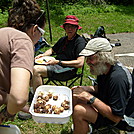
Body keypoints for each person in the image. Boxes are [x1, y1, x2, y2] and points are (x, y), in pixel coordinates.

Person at [72, 38, 134, 134]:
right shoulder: (103, 68)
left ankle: (85, 124)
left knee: (79, 110)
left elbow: (116, 117)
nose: (87, 62)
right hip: (108, 104)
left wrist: (90, 98)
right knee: (75, 95)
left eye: (91, 58)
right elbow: (103, 88)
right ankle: (83, 127)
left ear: (103, 57)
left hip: (123, 119)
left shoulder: (117, 78)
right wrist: (85, 89)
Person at [0, 0, 46, 123]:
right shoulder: (23, 40)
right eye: (42, 33)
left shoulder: (3, 33)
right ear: (35, 29)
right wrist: (8, 113)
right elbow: (18, 98)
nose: (40, 38)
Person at [31, 15, 86, 91]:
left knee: (36, 70)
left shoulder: (80, 42)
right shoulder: (63, 39)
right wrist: (42, 55)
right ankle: (33, 91)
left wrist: (59, 62)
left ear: (76, 28)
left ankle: (39, 97)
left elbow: (80, 63)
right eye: (67, 27)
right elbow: (52, 50)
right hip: (56, 65)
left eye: (72, 27)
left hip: (67, 70)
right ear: (64, 28)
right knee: (30, 64)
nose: (70, 29)